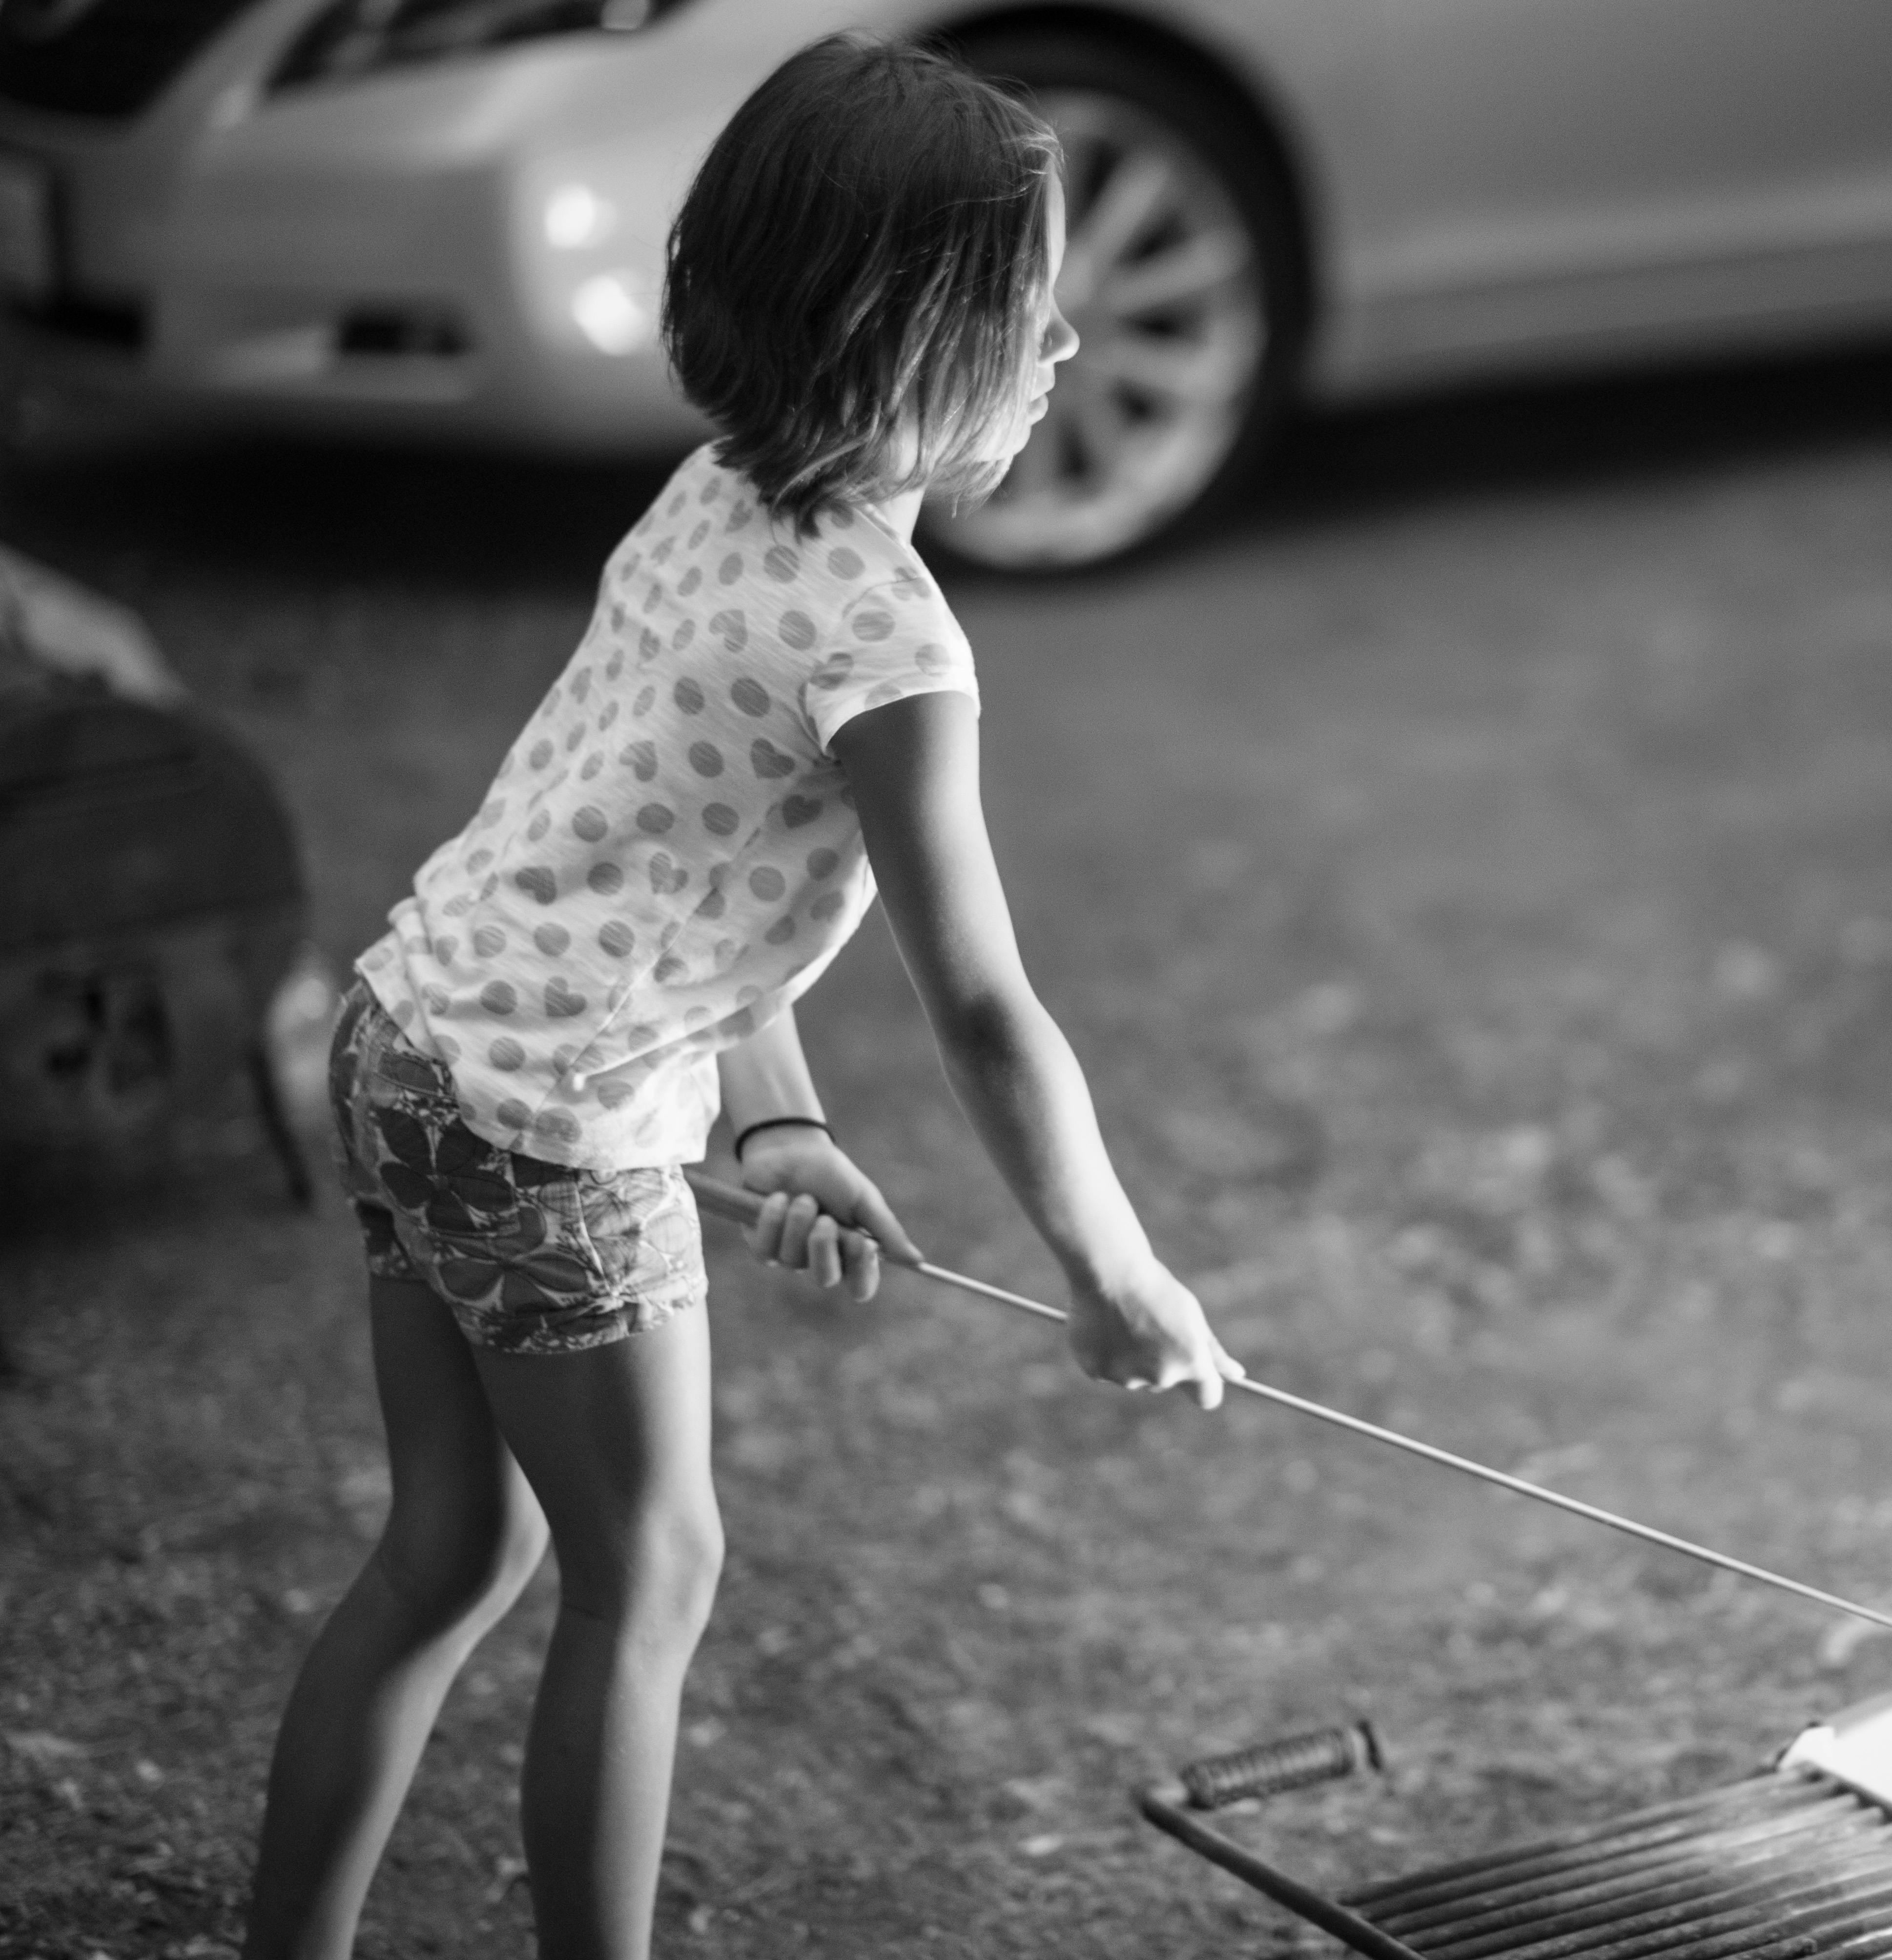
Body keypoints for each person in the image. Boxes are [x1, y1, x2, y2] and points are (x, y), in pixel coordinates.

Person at [240, 37, 1239, 1960]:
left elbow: (673, 882)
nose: (1063, 343)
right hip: (542, 1133)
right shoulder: (890, 648)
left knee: (450, 1553)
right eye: (1027, 312)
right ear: (900, 339)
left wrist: (778, 1121)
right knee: (655, 1570)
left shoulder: (714, 494)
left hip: (411, 1044)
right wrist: (1116, 1276)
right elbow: (987, 1011)